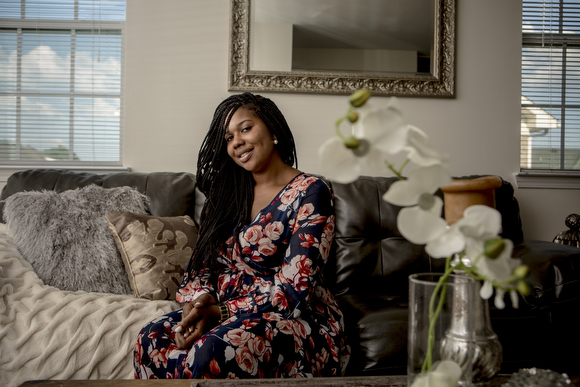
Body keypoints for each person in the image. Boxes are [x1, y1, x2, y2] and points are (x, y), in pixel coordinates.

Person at [133, 92, 350, 379]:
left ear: (273, 131)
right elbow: (200, 270)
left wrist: (219, 313)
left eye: (245, 128)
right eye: (228, 137)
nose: (237, 142)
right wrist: (200, 305)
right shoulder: (226, 196)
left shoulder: (311, 191)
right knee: (150, 339)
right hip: (221, 311)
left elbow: (294, 291)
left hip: (295, 318)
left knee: (210, 353)